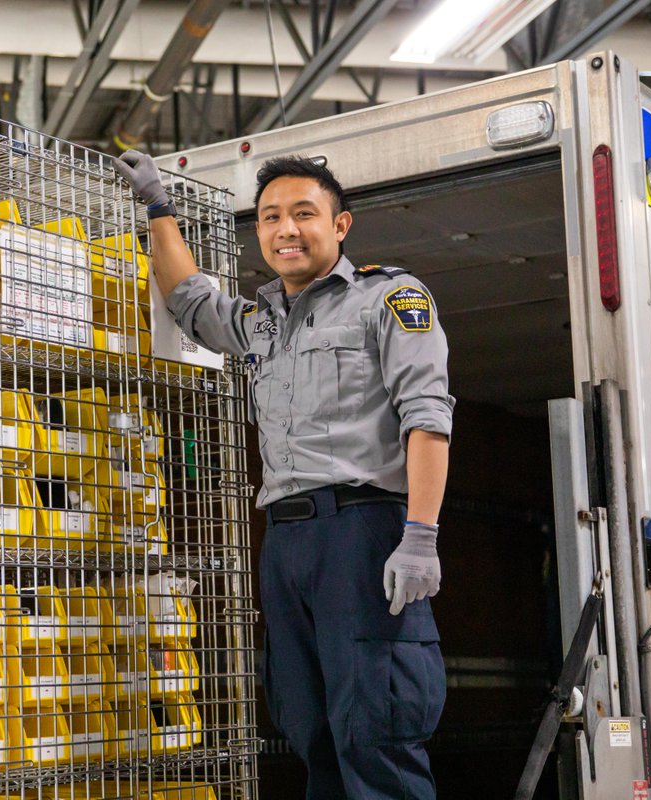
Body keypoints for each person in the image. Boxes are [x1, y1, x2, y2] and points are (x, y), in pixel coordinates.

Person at [114, 150, 454, 799]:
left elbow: (428, 419)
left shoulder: (390, 299)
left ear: (341, 224)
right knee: (309, 728)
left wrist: (420, 534)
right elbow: (189, 299)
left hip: (363, 534)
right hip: (287, 544)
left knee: (373, 729)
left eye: (304, 213)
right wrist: (158, 208)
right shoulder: (260, 322)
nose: (285, 229)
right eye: (271, 217)